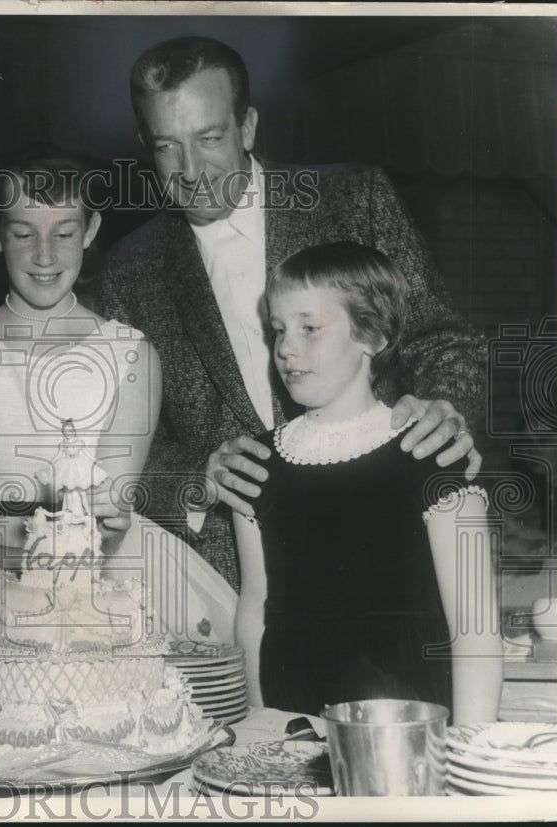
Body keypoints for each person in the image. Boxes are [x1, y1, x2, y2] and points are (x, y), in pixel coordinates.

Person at [96, 36, 487, 592]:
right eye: (166, 146)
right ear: (145, 143)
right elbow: (124, 438)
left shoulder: (354, 198)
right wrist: (194, 477)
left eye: (209, 138)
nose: (190, 170)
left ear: (248, 126)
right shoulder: (127, 269)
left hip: (389, 534)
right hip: (229, 576)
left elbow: (445, 342)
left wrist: (444, 405)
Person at [0, 151, 238, 644]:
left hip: (98, 578)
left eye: (64, 232)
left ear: (92, 230)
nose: (45, 255)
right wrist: (15, 565)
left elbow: (110, 519)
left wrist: (83, 543)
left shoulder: (131, 355)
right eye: (23, 233)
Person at [232, 241, 501, 724]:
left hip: (406, 721)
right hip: (294, 719)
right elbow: (255, 608)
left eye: (309, 328)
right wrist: (260, 723)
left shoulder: (430, 451)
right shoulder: (258, 462)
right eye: (278, 330)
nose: (287, 348)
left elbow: (474, 627)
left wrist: (468, 747)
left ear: (373, 335)